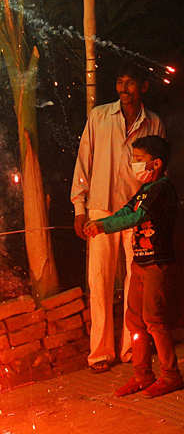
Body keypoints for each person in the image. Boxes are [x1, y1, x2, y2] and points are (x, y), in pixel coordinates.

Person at [71, 62, 166, 372]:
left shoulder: (154, 124)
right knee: (98, 282)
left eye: (131, 83)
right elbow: (83, 162)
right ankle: (99, 353)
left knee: (134, 285)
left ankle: (130, 349)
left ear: (144, 87)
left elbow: (160, 172)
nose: (125, 90)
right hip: (100, 209)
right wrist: (79, 209)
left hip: (137, 213)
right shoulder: (99, 117)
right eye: (120, 82)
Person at [84, 136, 183, 397]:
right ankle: (142, 375)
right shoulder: (143, 190)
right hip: (140, 263)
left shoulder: (162, 189)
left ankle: (171, 375)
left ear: (157, 163)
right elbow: (124, 211)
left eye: (139, 160)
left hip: (156, 265)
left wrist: (103, 227)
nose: (134, 164)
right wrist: (99, 223)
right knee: (134, 321)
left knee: (154, 320)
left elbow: (138, 216)